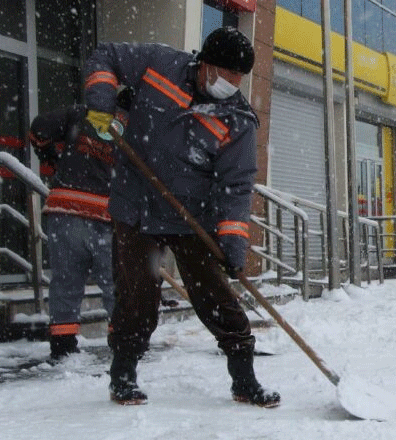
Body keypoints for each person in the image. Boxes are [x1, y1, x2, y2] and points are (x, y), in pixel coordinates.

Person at [82, 27, 279, 407]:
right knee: (136, 295)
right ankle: (122, 375)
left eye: (238, 80)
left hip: (192, 218)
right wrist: (102, 101)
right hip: (136, 204)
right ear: (204, 63)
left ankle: (244, 379)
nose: (231, 85)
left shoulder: (237, 119)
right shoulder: (159, 64)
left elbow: (236, 187)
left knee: (217, 296)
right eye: (226, 75)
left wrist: (233, 242)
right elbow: (105, 55)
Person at [28, 89, 132, 361]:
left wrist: (50, 158)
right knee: (114, 285)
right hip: (106, 215)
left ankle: (62, 348)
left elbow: (39, 129)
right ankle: (122, 347)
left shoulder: (81, 113)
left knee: (65, 282)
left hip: (65, 210)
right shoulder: (137, 130)